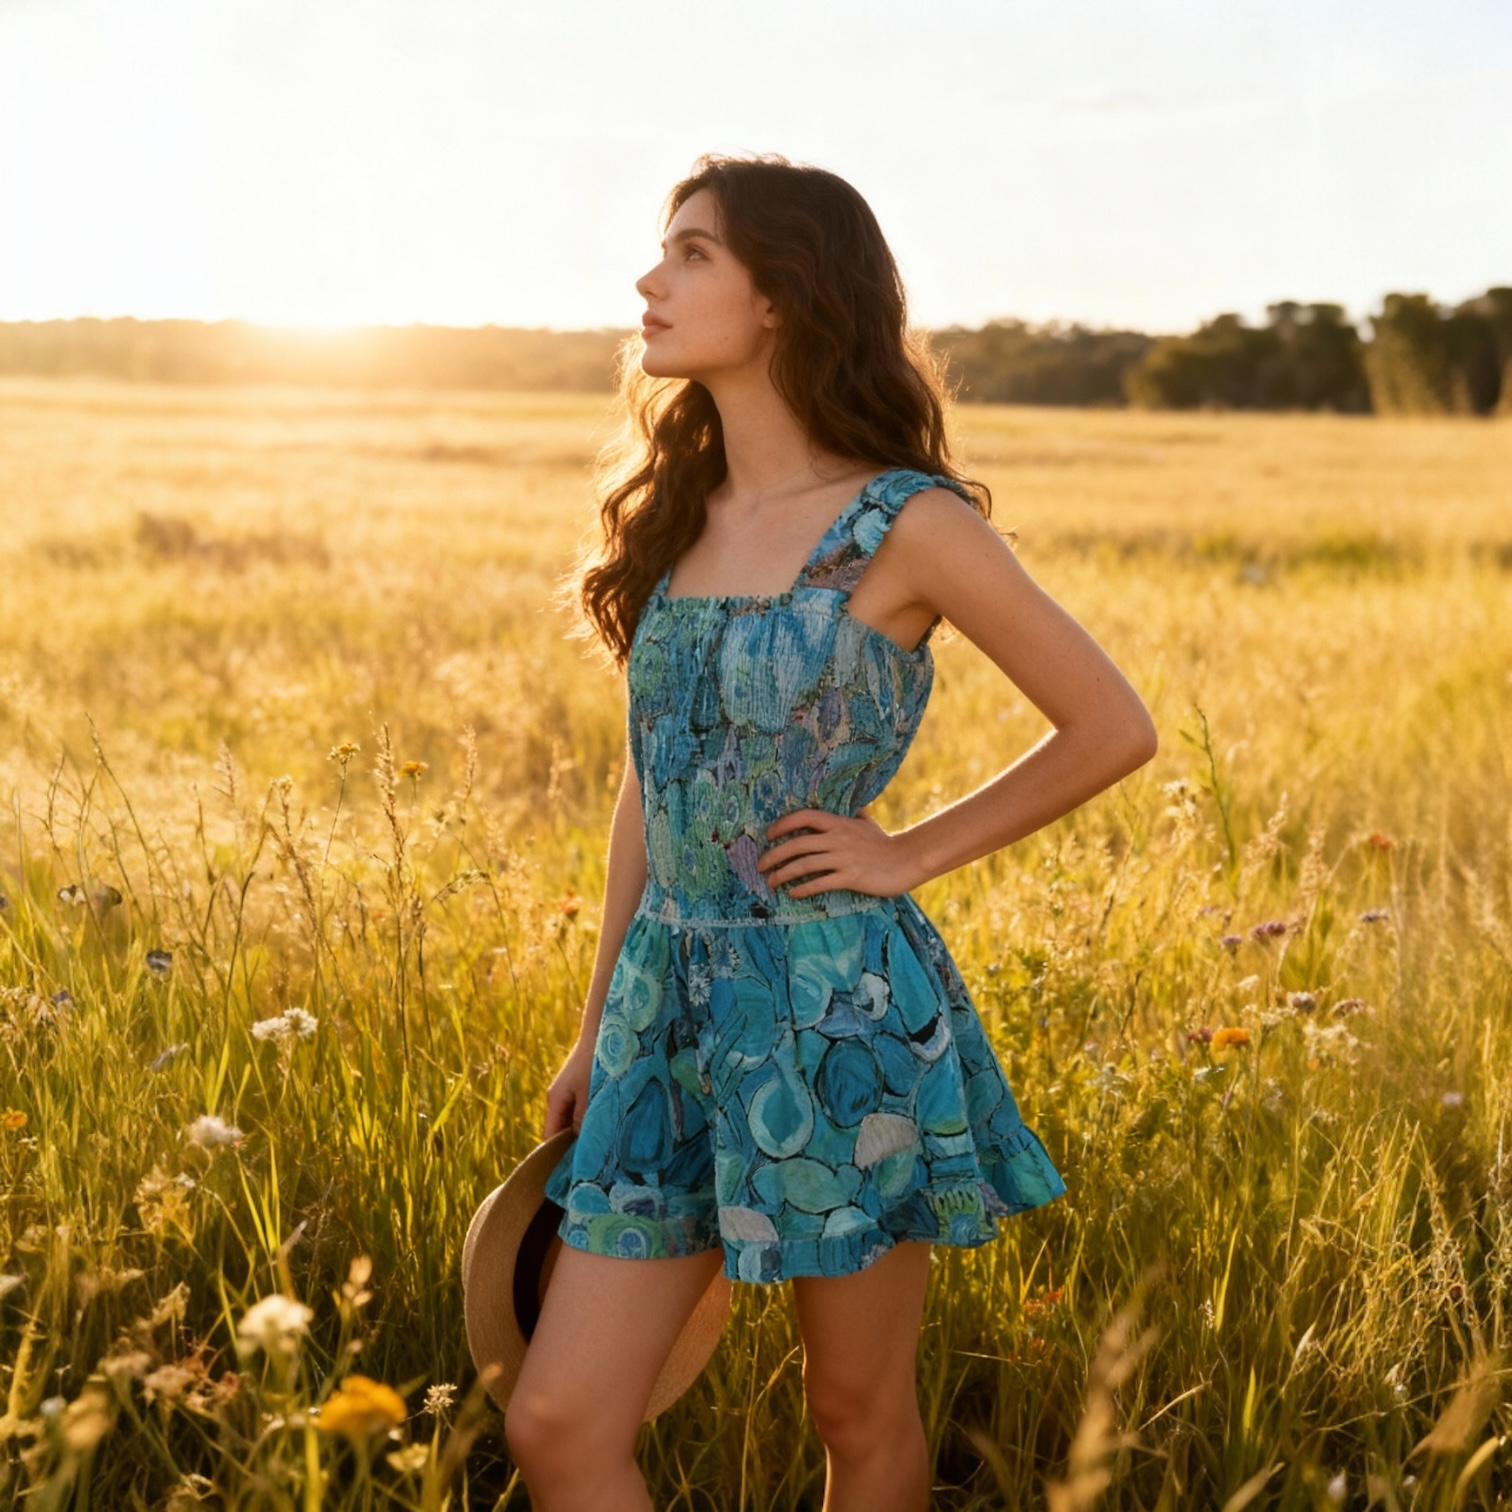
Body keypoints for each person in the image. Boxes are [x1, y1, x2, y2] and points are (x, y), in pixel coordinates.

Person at [503, 154, 1158, 1512]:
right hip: (661, 1019)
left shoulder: (903, 523)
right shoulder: (682, 519)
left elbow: (1111, 725)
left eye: (690, 253)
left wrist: (906, 852)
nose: (649, 280)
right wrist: (592, 1028)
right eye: (661, 251)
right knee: (559, 1422)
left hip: (839, 1011)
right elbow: (651, 783)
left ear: (784, 298)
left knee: (856, 1413)